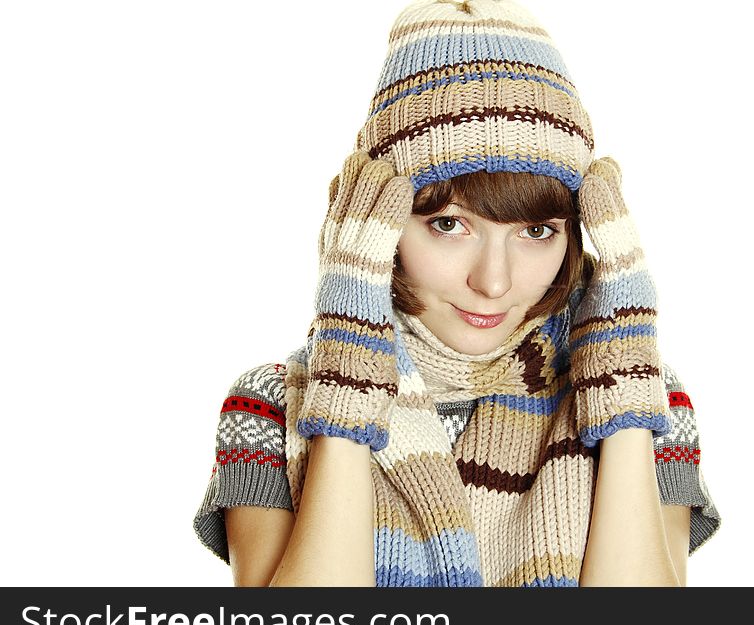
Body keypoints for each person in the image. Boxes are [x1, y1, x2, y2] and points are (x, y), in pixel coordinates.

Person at [194, 0, 720, 587]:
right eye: (449, 223)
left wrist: (622, 409)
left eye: (536, 232)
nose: (493, 282)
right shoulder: (269, 406)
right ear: (379, 222)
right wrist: (346, 390)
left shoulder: (650, 400)